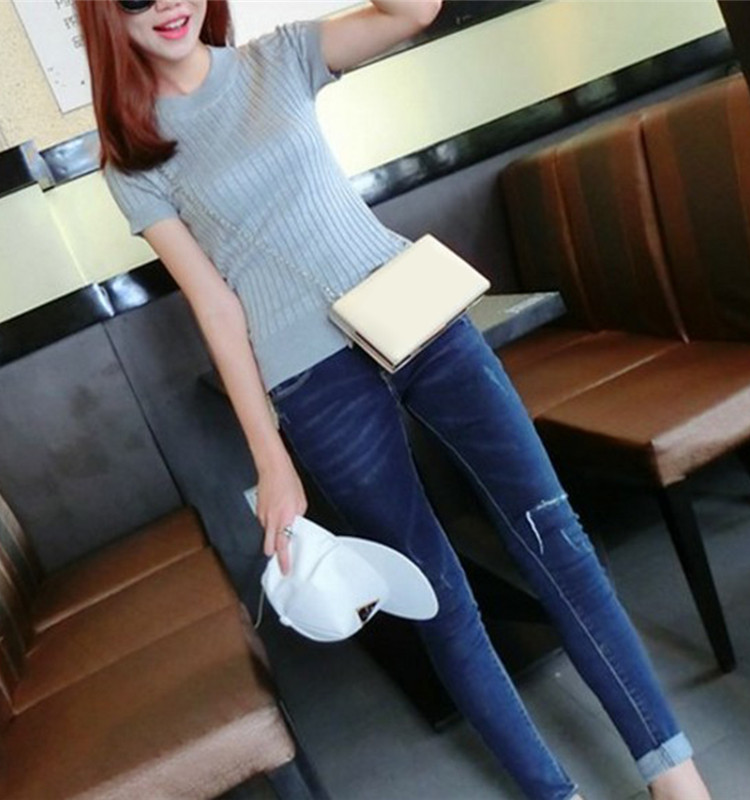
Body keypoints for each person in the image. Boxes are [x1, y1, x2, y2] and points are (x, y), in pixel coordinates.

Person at [75, 2, 712, 798]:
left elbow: (412, 11)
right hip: (312, 381)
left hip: (417, 312)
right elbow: (216, 308)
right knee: (438, 601)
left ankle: (675, 776)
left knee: (558, 540)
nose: (166, 4)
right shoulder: (133, 156)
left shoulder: (280, 58)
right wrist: (272, 461)